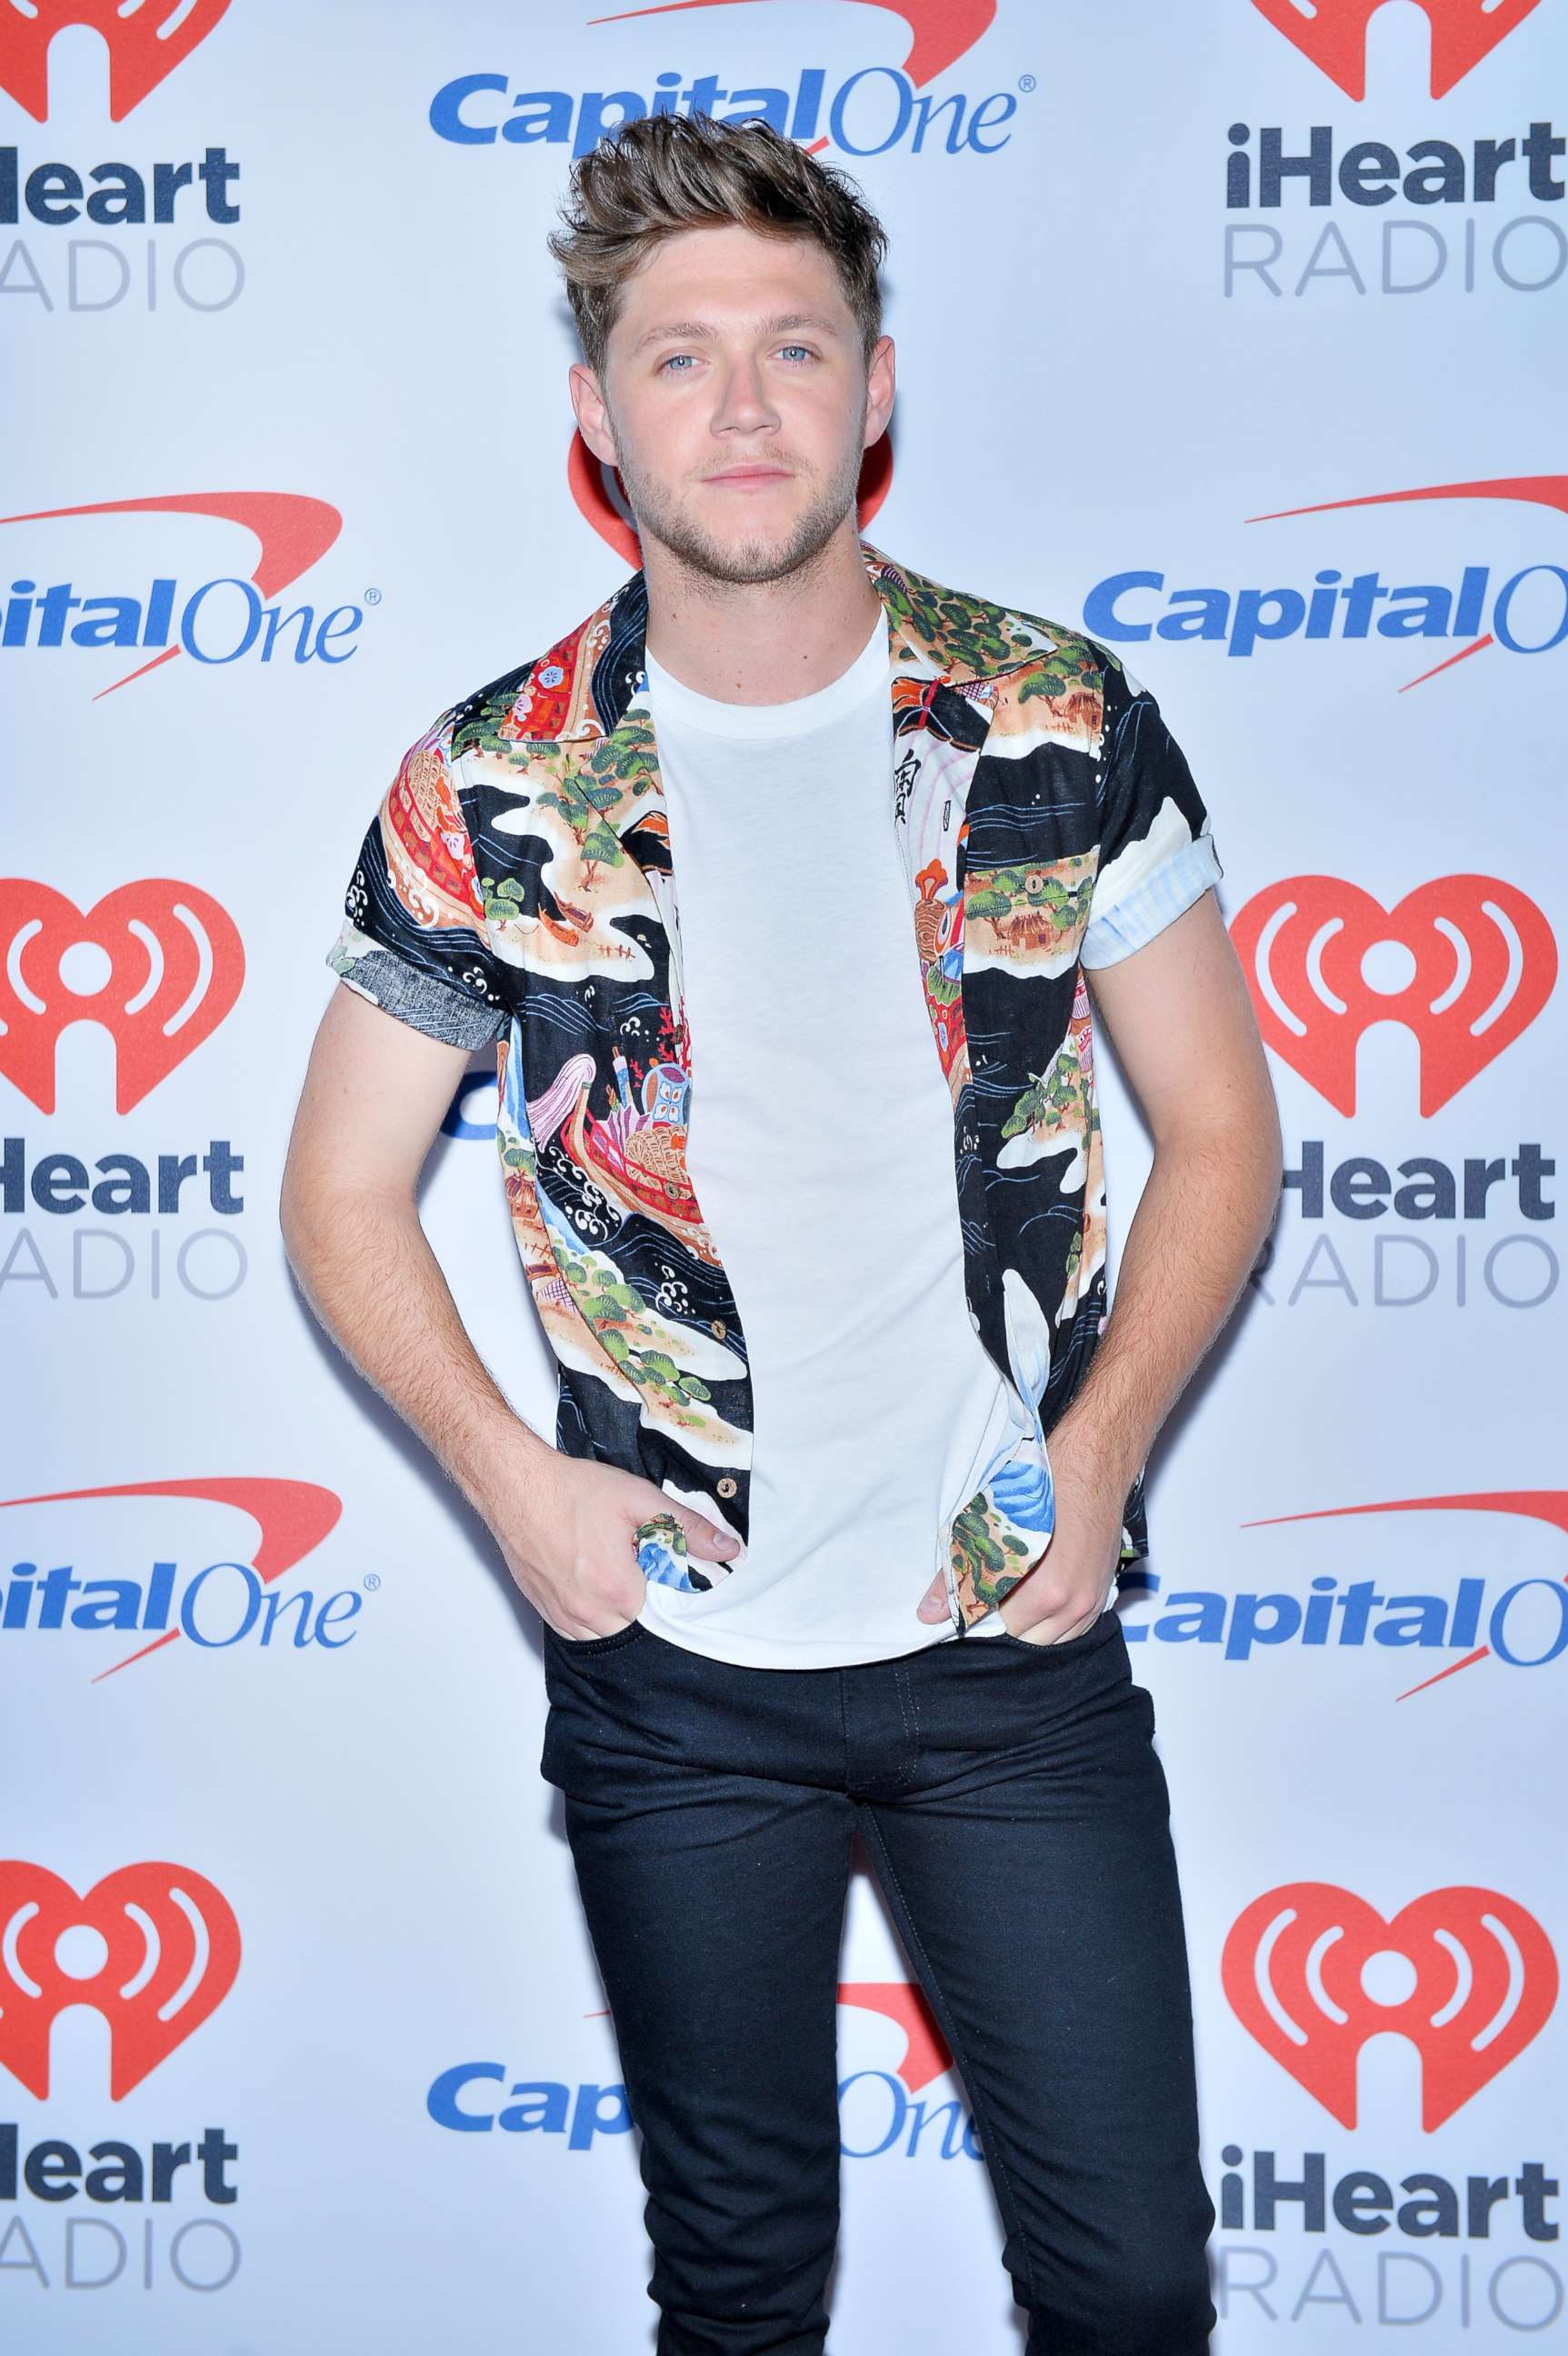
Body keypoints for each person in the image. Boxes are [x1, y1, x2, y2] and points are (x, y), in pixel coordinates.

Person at [282, 109, 1282, 2356]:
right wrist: (514, 1486)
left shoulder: (1053, 718)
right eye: (677, 359)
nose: (740, 408)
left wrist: (1105, 1458)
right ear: (592, 418)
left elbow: (1217, 1131)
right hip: (675, 1678)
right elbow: (341, 1193)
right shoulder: (494, 781)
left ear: (876, 387)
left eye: (792, 350)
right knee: (739, 2289)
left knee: (1128, 2285)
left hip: (1007, 1651)